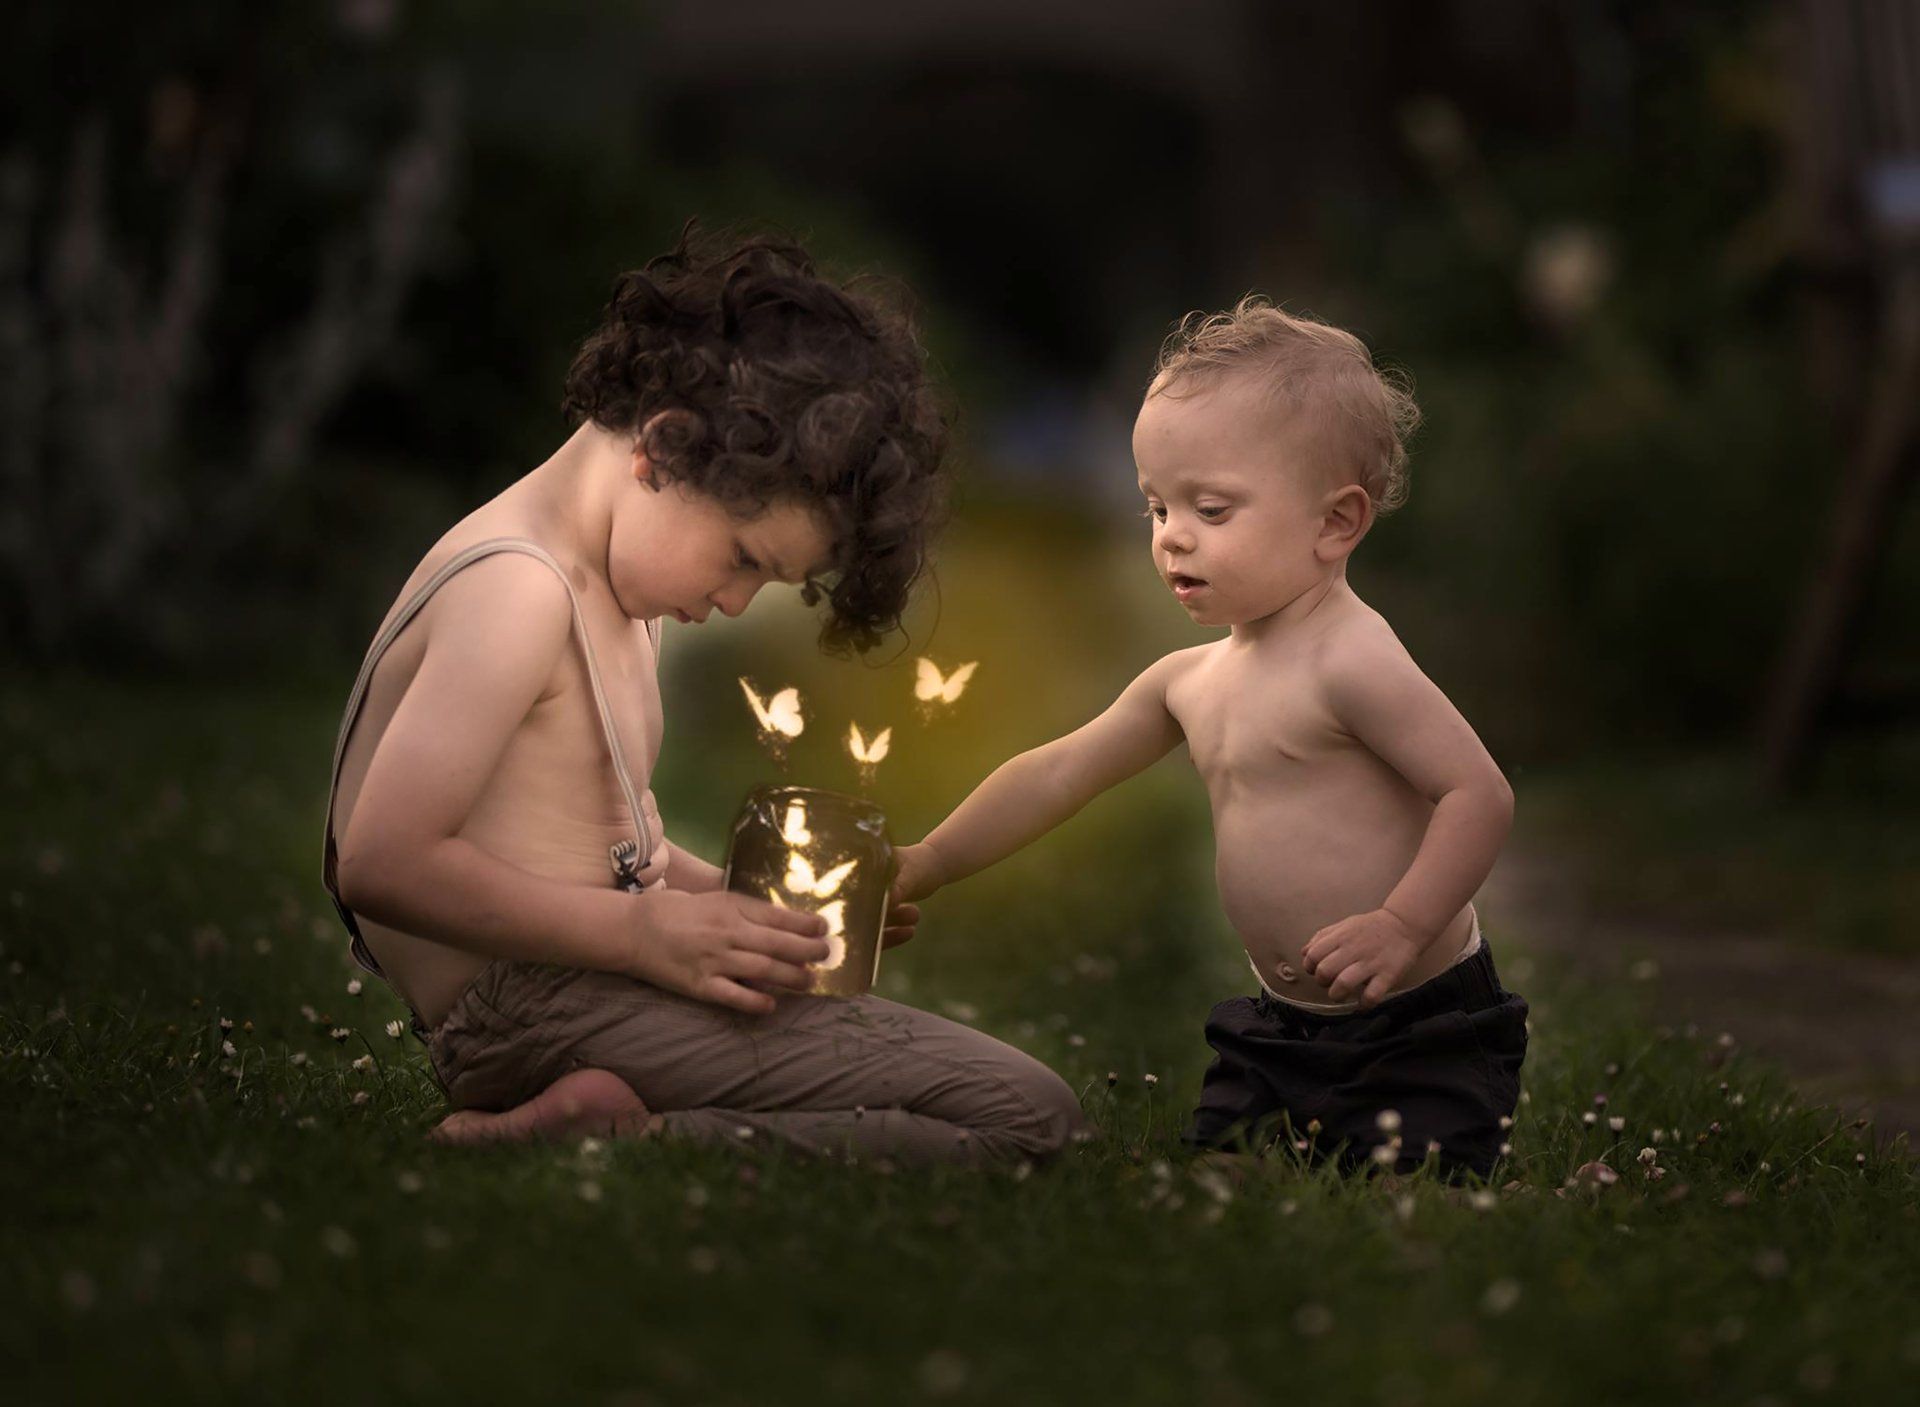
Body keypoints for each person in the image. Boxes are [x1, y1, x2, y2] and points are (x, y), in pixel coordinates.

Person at [324, 228, 1086, 1162]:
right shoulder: (518, 590)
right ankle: (616, 1135)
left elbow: (611, 844)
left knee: (1002, 1098)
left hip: (583, 987)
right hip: (527, 1006)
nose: (731, 603)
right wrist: (645, 934)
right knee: (1029, 1115)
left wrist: (744, 915)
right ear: (664, 446)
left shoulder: (612, 584)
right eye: (744, 561)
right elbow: (380, 862)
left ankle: (595, 1118)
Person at [891, 298, 1526, 1178]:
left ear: (1335, 523)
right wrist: (930, 858)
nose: (1172, 536)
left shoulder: (1353, 661)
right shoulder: (1188, 681)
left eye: (1212, 509)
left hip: (1415, 1020)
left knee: (1418, 1179)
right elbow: (1059, 772)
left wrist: (1399, 923)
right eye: (1156, 508)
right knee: (1220, 1167)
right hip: (1281, 1027)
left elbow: (1478, 794)